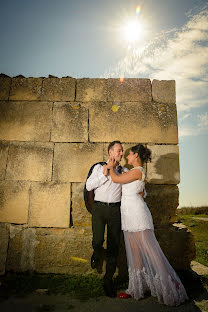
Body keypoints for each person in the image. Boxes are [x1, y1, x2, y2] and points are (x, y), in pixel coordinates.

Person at [107, 144, 188, 306]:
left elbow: (116, 179)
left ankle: (171, 286)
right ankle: (136, 288)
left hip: (137, 215)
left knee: (150, 251)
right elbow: (136, 187)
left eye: (129, 154)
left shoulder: (137, 171)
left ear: (136, 155)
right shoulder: (133, 172)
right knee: (135, 251)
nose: (127, 156)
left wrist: (110, 168)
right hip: (128, 215)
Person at [85, 140, 127, 297]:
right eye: (119, 150)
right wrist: (105, 173)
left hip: (116, 210)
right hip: (99, 209)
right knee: (97, 241)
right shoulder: (98, 168)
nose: (121, 153)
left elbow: (131, 188)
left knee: (114, 246)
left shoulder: (124, 170)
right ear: (110, 152)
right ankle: (96, 252)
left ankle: (108, 280)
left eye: (122, 151)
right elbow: (89, 186)